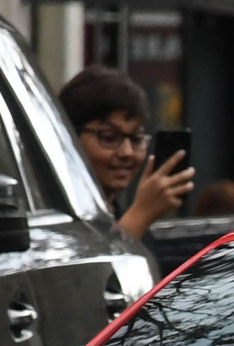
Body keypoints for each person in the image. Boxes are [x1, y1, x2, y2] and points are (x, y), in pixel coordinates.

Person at [57, 66, 192, 239]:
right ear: (69, 137)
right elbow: (102, 263)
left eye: (136, 139)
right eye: (109, 137)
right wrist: (141, 214)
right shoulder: (54, 216)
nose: (127, 152)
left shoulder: (121, 216)